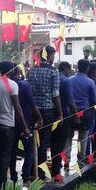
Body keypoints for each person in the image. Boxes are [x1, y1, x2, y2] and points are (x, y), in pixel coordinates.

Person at [0, 61, 31, 190]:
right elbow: (17, 107)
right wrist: (25, 127)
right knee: (5, 156)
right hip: (7, 125)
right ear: (12, 70)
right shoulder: (12, 85)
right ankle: (0, 187)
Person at [28, 46, 63, 181]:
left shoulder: (31, 71)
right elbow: (55, 94)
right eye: (53, 55)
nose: (54, 58)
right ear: (48, 56)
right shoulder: (53, 72)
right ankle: (40, 174)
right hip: (47, 111)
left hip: (33, 110)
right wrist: (59, 114)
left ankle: (31, 171)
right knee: (43, 142)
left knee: (33, 141)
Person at [9, 64, 43, 187]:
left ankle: (12, 177)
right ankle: (25, 177)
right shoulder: (24, 84)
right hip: (25, 123)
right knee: (29, 151)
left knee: (12, 151)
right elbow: (32, 103)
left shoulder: (3, 85)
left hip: (10, 124)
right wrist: (39, 117)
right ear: (17, 71)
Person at [69, 60, 96, 166]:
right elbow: (94, 99)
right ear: (87, 68)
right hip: (85, 111)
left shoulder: (69, 80)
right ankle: (80, 159)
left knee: (69, 135)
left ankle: (66, 160)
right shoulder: (90, 82)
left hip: (71, 112)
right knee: (83, 136)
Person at [53, 62, 78, 181]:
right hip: (64, 113)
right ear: (66, 69)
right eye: (69, 69)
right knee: (60, 143)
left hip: (50, 113)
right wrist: (76, 114)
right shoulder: (66, 80)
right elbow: (69, 99)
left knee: (51, 143)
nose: (70, 72)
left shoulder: (53, 77)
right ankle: (56, 170)